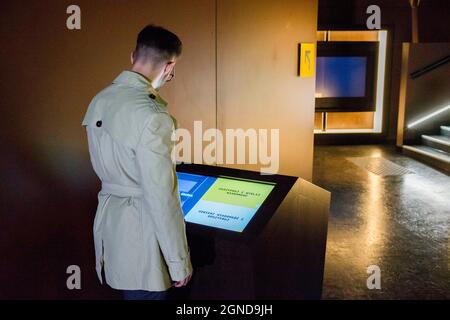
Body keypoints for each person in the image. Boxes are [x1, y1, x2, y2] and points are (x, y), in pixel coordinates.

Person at [82, 24, 192, 300]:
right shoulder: (153, 116)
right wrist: (179, 263)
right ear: (169, 67)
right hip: (143, 238)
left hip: (113, 226)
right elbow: (160, 197)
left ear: (133, 56)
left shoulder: (99, 100)